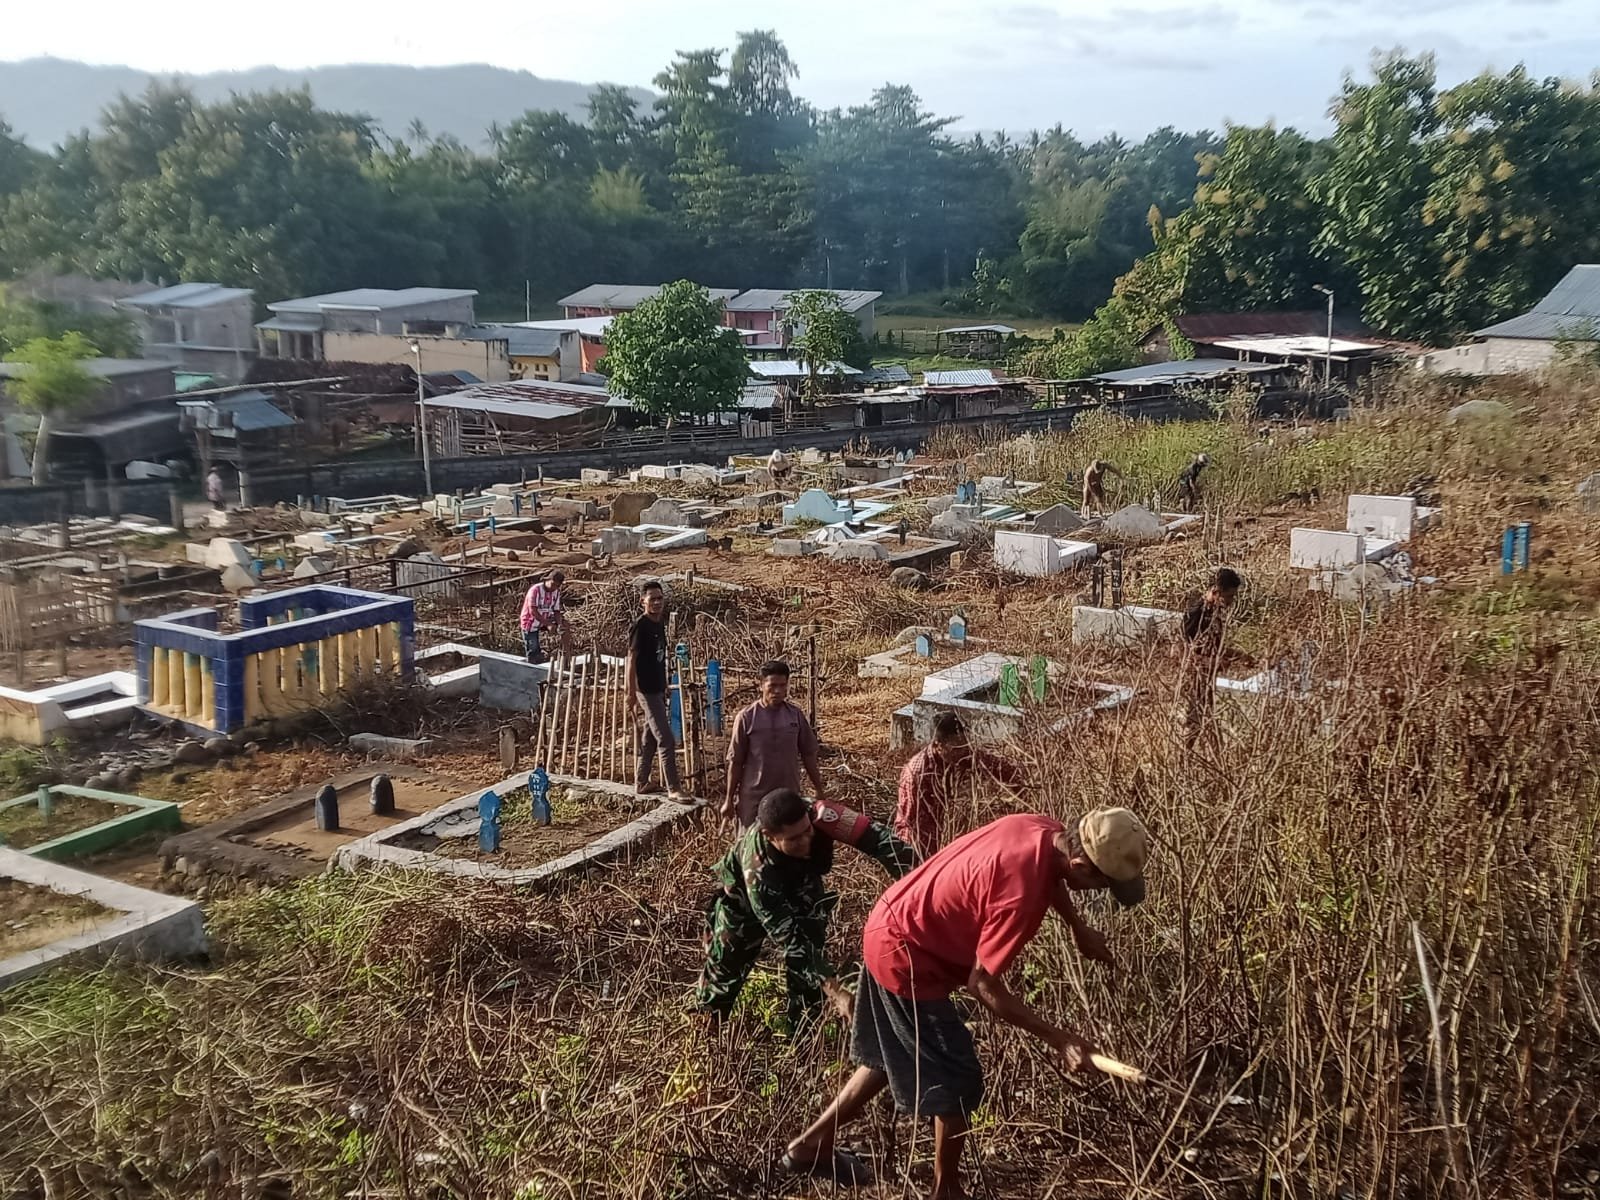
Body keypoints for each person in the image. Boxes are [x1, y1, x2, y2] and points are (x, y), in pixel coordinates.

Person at [782, 809, 1150, 1195]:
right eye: (1101, 884)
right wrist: (1061, 1039)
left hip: (891, 921)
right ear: (1080, 865)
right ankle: (947, 1191)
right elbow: (983, 985)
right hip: (907, 956)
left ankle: (809, 1147)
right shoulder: (1022, 895)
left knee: (892, 1055)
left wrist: (1078, 927)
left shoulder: (1042, 828)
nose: (1099, 892)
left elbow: (1053, 875)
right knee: (959, 1080)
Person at [696, 787, 919, 1032]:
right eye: (793, 839)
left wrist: (921, 884)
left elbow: (880, 840)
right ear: (769, 836)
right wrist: (837, 992)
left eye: (807, 831)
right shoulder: (757, 873)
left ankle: (803, 1030)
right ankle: (707, 1028)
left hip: (800, 883)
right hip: (743, 905)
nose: (805, 842)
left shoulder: (821, 814)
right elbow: (793, 942)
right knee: (726, 968)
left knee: (811, 950)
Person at [895, 712, 1025, 857]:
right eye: (956, 748)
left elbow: (995, 766)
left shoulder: (960, 753)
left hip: (944, 827)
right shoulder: (917, 773)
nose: (962, 751)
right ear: (938, 745)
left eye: (964, 744)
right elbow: (912, 824)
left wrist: (1021, 785)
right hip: (914, 841)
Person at [723, 661, 825, 827]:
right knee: (750, 840)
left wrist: (819, 789)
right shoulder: (746, 717)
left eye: (782, 686)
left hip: (788, 795)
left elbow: (808, 754)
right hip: (754, 797)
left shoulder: (795, 716)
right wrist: (728, 799)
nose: (777, 691)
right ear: (761, 685)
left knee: (788, 837)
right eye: (772, 686)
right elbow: (736, 761)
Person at [626, 579, 684, 799]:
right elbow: (631, 660)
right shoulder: (640, 626)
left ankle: (642, 782)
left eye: (660, 598)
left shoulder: (659, 623)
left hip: (657, 688)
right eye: (653, 599)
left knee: (650, 738)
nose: (657, 602)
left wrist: (665, 683)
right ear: (643, 601)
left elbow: (660, 657)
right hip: (646, 690)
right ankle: (674, 788)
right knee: (666, 738)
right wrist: (630, 692)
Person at [1179, 567, 1242, 746]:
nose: (1231, 601)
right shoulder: (1195, 613)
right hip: (1195, 677)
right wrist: (1212, 662)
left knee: (1207, 719)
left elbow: (1213, 645)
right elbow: (1183, 651)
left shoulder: (1214, 613)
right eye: (1229, 596)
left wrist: (1238, 656)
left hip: (1207, 676)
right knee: (1195, 722)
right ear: (1216, 591)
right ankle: (1183, 757)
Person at [518, 570, 564, 665]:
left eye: (557, 586)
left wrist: (559, 624)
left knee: (565, 625)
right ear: (548, 580)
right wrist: (548, 624)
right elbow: (533, 611)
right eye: (553, 584)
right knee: (533, 648)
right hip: (530, 622)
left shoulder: (556, 592)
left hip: (545, 619)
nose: (554, 588)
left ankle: (564, 652)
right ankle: (532, 664)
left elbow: (556, 611)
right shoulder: (535, 590)